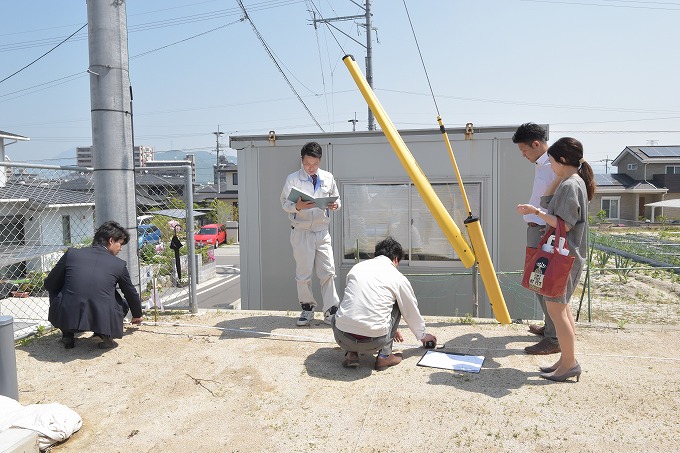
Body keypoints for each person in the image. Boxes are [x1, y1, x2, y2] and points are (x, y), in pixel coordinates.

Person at [517, 137, 596, 382]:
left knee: (556, 310)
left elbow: (565, 223)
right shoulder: (571, 181)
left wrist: (535, 212)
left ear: (562, 160)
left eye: (551, 161)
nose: (549, 165)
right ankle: (565, 360)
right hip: (566, 255)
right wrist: (557, 178)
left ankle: (570, 362)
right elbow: (551, 204)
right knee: (561, 309)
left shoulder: (572, 185)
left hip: (563, 257)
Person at [332, 237, 437, 371]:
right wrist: (422, 336)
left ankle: (351, 354)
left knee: (349, 302)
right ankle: (384, 356)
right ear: (396, 259)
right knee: (399, 303)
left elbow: (361, 304)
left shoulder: (357, 268)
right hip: (375, 341)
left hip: (342, 337)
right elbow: (410, 310)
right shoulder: (397, 277)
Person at [45, 220, 143, 349]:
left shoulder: (71, 254)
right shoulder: (118, 264)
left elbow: (49, 284)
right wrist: (137, 314)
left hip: (66, 316)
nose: (121, 248)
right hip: (102, 317)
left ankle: (67, 335)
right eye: (120, 243)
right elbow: (130, 292)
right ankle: (104, 333)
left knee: (57, 289)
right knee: (120, 300)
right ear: (111, 240)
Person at [280, 142, 340, 326]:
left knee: (328, 271)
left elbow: (337, 200)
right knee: (303, 274)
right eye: (307, 163)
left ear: (319, 161)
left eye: (314, 163)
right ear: (302, 160)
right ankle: (307, 309)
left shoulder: (328, 178)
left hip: (322, 231)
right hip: (301, 231)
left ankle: (331, 311)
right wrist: (297, 206)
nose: (311, 167)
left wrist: (335, 205)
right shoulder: (292, 179)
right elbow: (284, 203)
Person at [512, 123, 560, 355]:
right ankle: (550, 328)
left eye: (524, 150)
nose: (523, 155)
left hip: (544, 232)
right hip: (537, 229)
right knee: (538, 282)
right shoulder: (542, 164)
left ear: (536, 144)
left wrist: (539, 216)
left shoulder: (553, 166)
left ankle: (553, 337)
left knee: (544, 282)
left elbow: (558, 205)